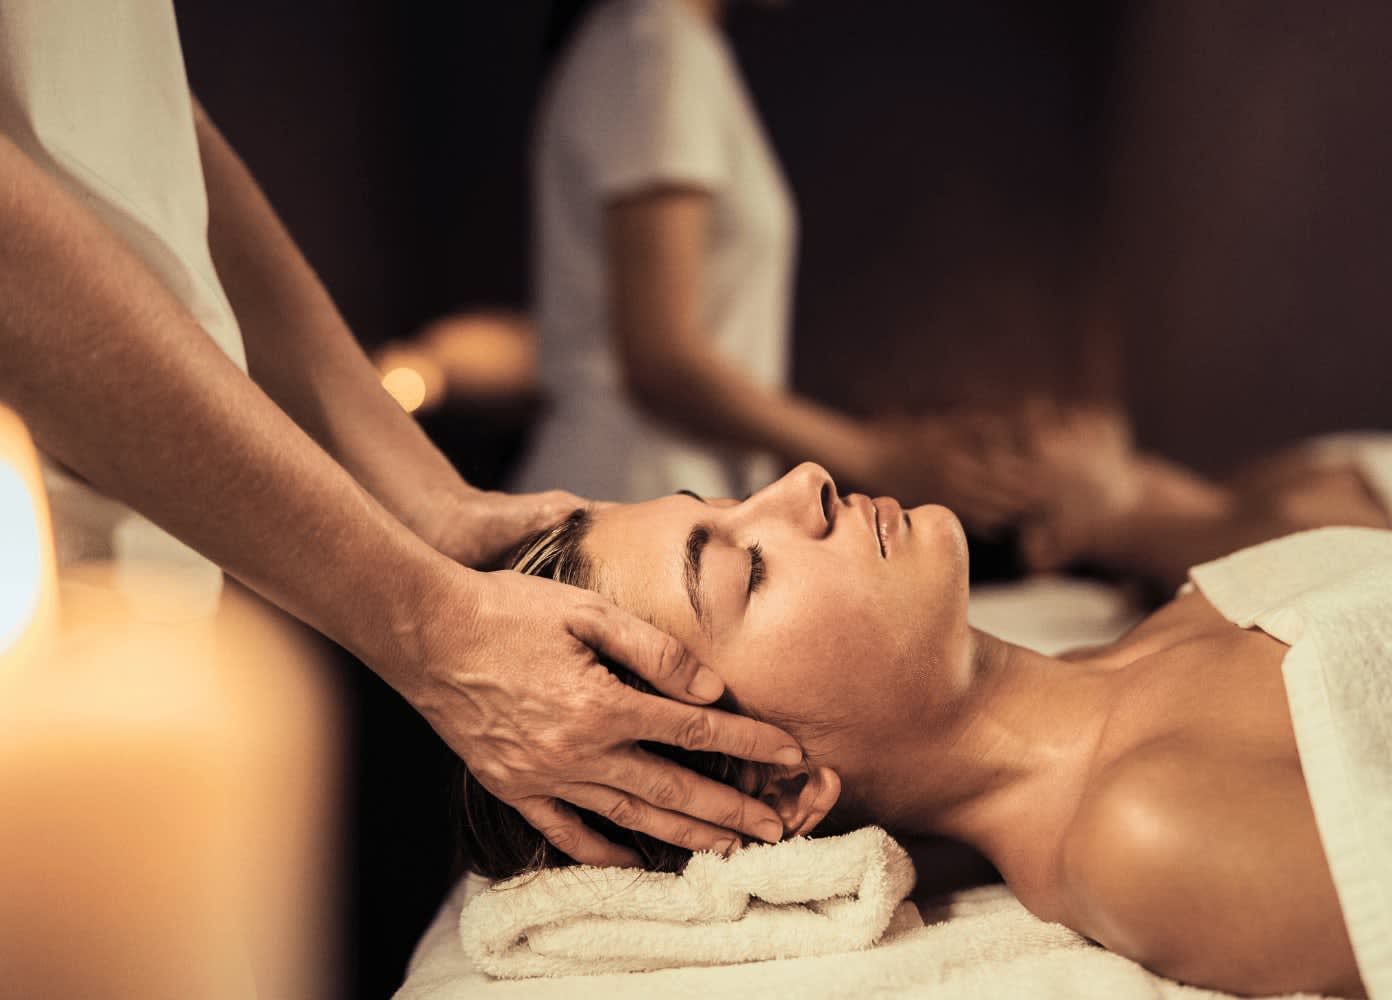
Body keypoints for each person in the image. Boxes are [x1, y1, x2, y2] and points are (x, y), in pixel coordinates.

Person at [0, 0, 803, 868]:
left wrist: (431, 504)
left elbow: (144, 140)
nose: (808, 482)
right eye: (748, 570)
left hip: (148, 606)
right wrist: (424, 621)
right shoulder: (650, 50)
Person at [456, 462, 1370, 997]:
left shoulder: (1164, 625)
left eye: (725, 503)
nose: (804, 483)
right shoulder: (1148, 834)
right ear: (779, 784)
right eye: (749, 570)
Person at [515, 0, 1029, 531]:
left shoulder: (656, 45)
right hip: (636, 495)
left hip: (659, 497)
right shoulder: (656, 46)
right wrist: (878, 458)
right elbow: (661, 359)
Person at [1011, 406, 1392, 590]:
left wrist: (1118, 523)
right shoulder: (1262, 516)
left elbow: (1324, 539)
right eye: (1011, 445)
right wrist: (1112, 525)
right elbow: (1336, 543)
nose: (1037, 414)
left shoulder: (1257, 495)